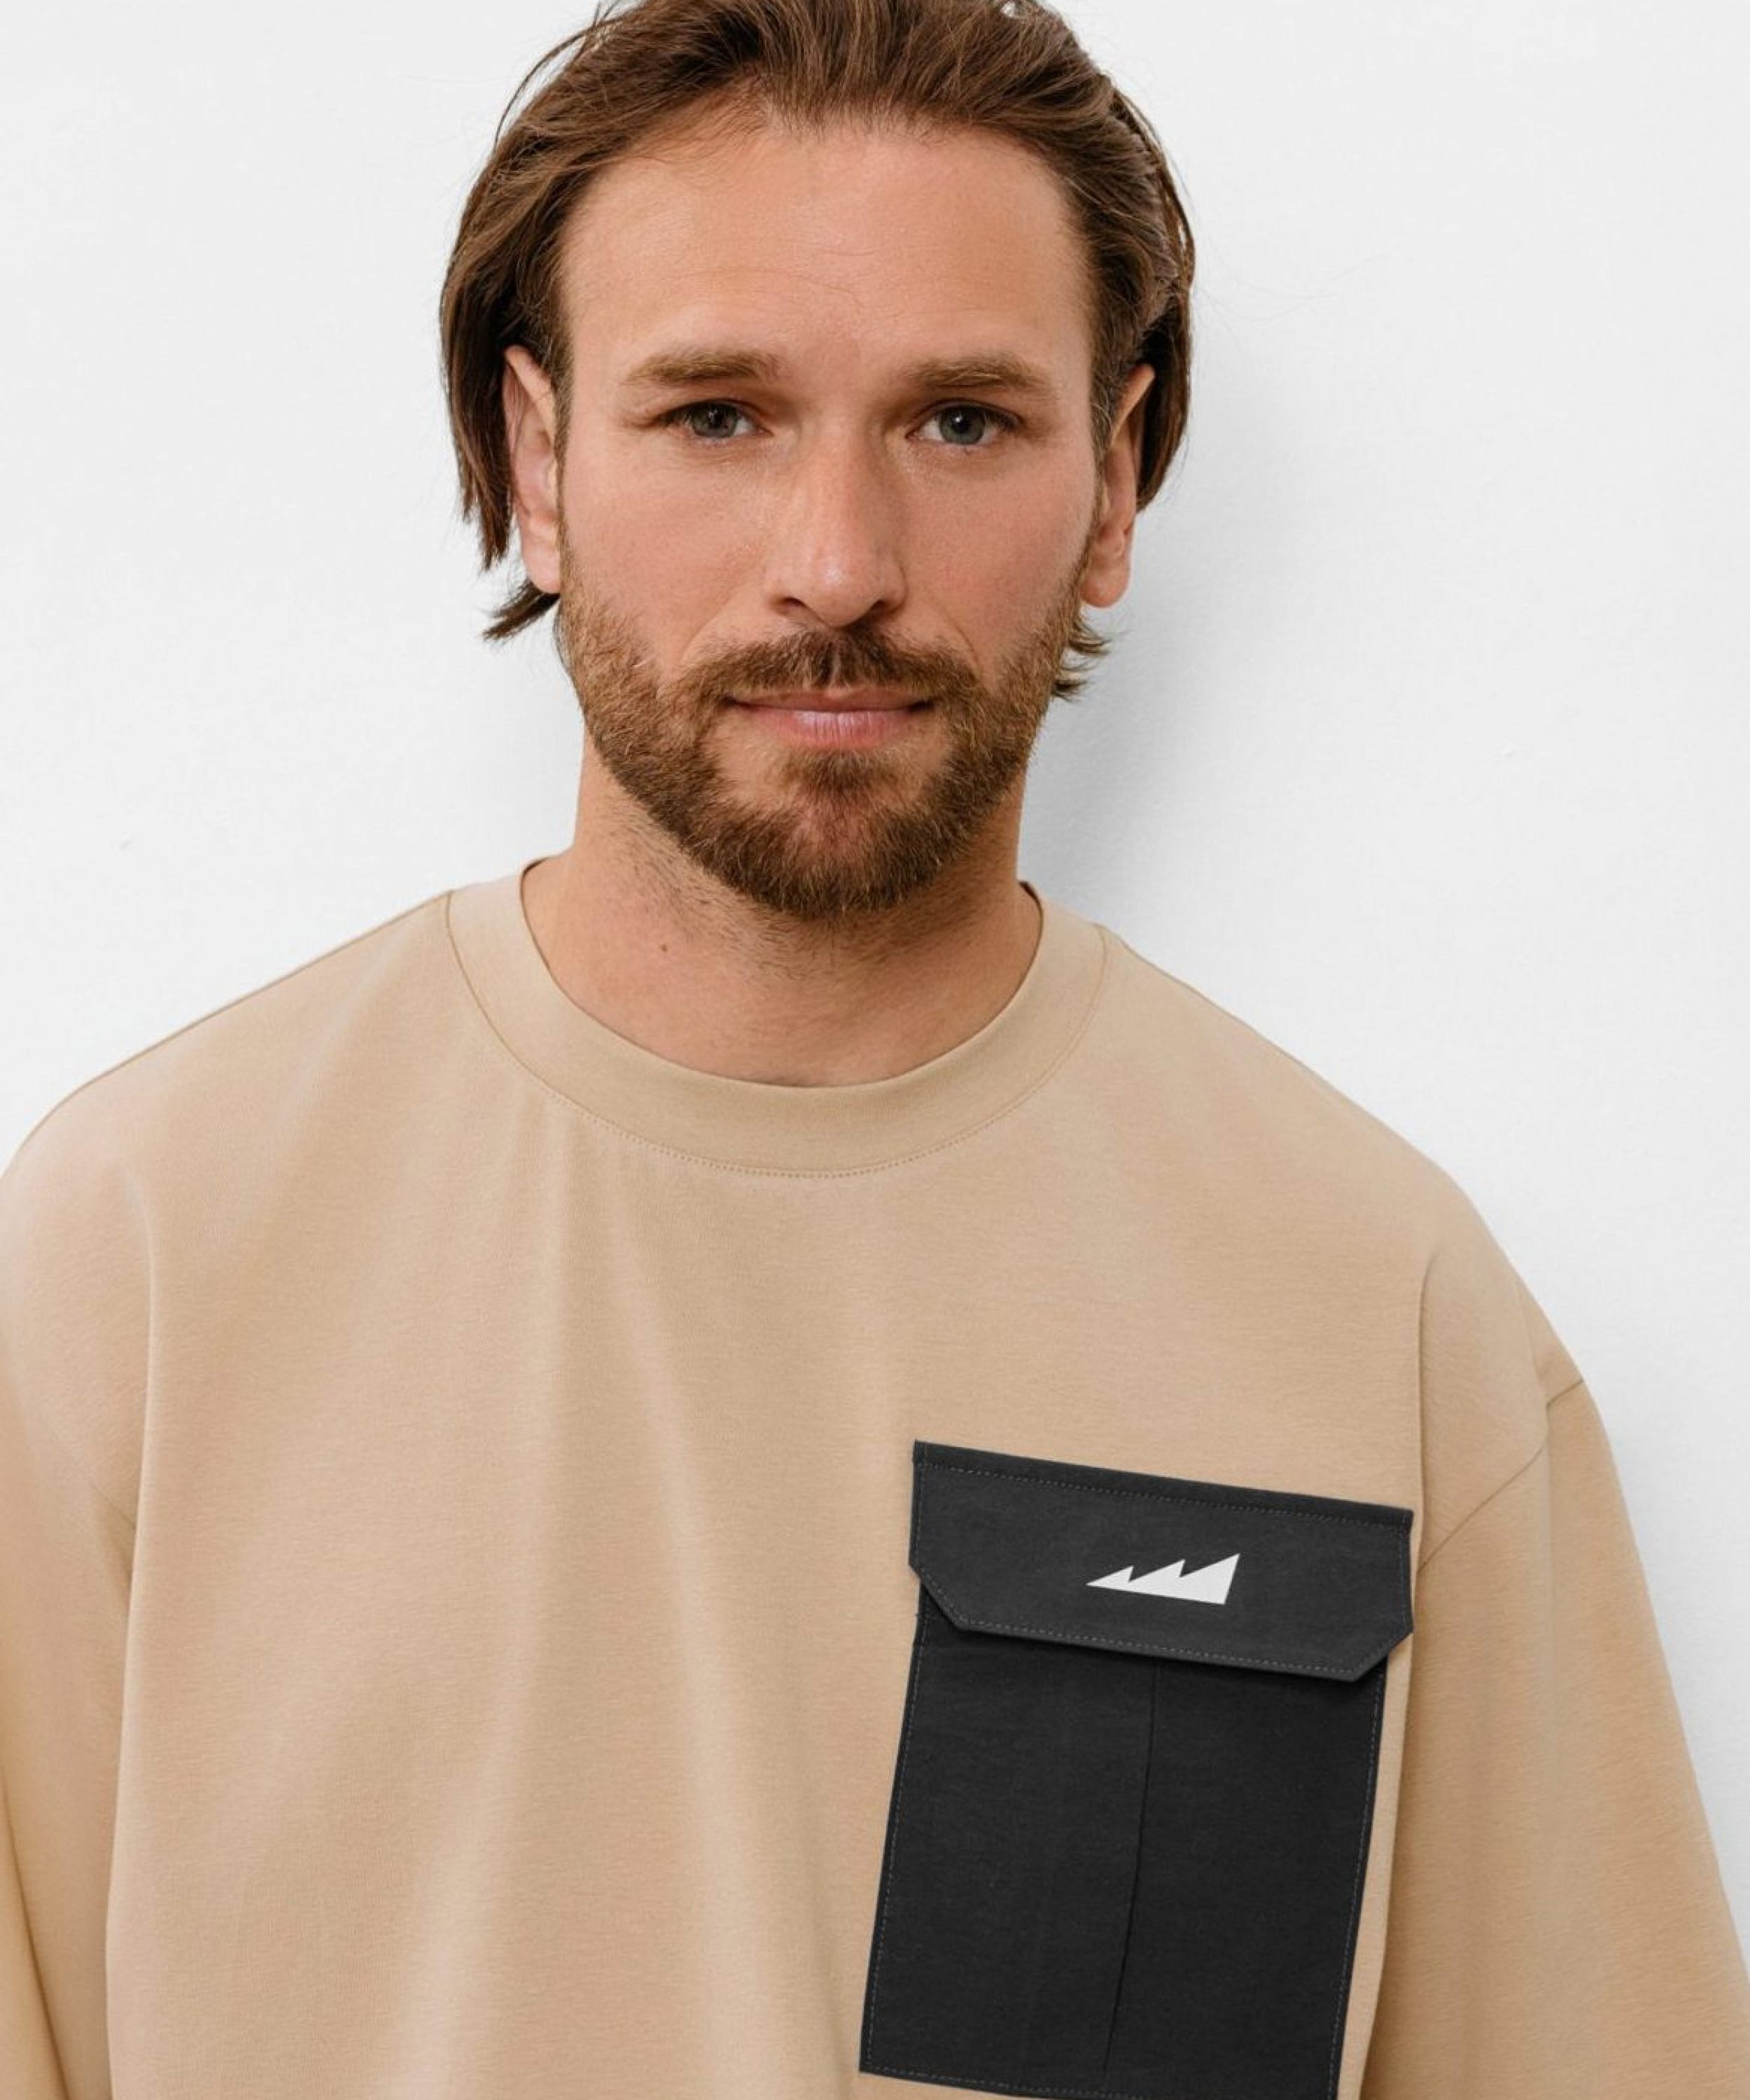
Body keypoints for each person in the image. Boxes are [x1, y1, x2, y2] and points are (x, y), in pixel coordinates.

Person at [2, 0, 1745, 2093]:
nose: (836, 565)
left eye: (960, 422)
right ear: (538, 463)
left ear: (1115, 482)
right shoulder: (142, 1258)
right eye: (718, 415)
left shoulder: (1382, 1307)